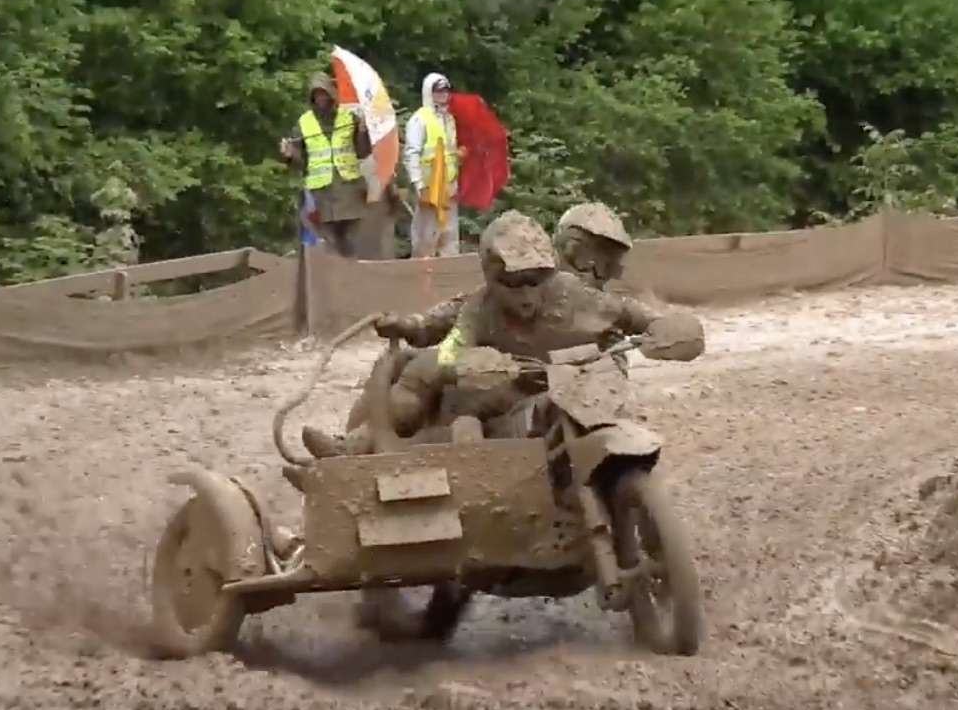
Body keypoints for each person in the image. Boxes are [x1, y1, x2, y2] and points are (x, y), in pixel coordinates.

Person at [299, 210, 704, 459]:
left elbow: (637, 316)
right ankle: (359, 445)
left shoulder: (578, 296)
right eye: (513, 283)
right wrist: (416, 333)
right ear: (492, 279)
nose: (527, 294)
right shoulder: (479, 308)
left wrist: (665, 330)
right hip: (498, 406)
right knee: (426, 378)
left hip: (571, 398)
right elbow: (444, 339)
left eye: (536, 280)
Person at [280, 72, 396, 259]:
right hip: (320, 195)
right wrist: (290, 155)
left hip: (349, 192)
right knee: (327, 245)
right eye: (317, 94)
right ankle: (333, 282)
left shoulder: (348, 118)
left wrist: (362, 132)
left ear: (332, 93)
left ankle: (351, 279)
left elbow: (362, 152)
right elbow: (301, 163)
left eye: (324, 93)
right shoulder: (304, 124)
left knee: (351, 244)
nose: (321, 98)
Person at [403, 73, 463, 258]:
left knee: (450, 238)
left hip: (448, 189)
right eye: (438, 91)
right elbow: (411, 153)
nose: (443, 94)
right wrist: (418, 184)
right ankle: (421, 282)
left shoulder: (450, 120)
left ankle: (450, 281)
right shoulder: (419, 119)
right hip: (429, 189)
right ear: (429, 92)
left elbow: (448, 151)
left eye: (445, 90)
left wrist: (459, 155)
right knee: (426, 240)